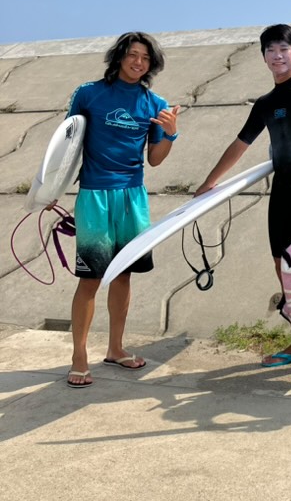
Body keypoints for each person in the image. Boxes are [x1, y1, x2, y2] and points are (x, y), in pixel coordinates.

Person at [194, 24, 291, 381]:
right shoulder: (266, 104)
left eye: (284, 49)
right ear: (263, 58)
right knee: (284, 268)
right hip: (281, 195)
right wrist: (210, 182)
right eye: (270, 50)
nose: (277, 55)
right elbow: (240, 143)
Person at [65, 32, 180, 388]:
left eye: (145, 58)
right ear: (119, 57)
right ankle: (79, 356)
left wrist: (170, 133)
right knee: (90, 278)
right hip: (95, 195)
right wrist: (51, 187)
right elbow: (65, 146)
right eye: (132, 55)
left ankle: (115, 348)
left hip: (133, 196)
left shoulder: (154, 104)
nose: (138, 62)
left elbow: (155, 159)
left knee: (124, 274)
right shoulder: (88, 94)